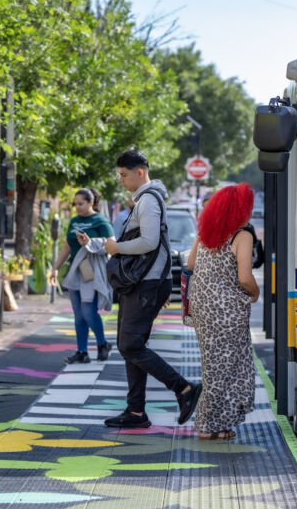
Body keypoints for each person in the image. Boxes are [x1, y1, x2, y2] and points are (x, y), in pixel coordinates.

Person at [103, 150, 201, 429]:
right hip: (144, 283)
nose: (121, 180)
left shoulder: (148, 200)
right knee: (132, 345)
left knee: (130, 344)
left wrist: (116, 247)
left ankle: (183, 389)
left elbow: (148, 241)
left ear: (140, 172)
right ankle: (135, 412)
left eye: (124, 175)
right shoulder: (148, 198)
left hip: (146, 283)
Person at [186, 183, 259, 440]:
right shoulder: (242, 235)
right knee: (229, 367)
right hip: (228, 309)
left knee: (213, 364)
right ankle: (208, 425)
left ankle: (218, 424)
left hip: (202, 306)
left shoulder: (206, 232)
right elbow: (245, 277)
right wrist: (255, 292)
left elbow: (191, 263)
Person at [51, 188, 114, 364]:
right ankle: (82, 352)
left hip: (92, 272)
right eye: (75, 204)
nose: (77, 207)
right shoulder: (74, 221)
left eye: (81, 204)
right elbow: (67, 247)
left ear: (91, 202)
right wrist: (55, 268)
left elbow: (112, 245)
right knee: (78, 315)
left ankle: (102, 344)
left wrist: (90, 243)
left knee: (88, 311)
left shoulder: (100, 221)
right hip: (75, 271)